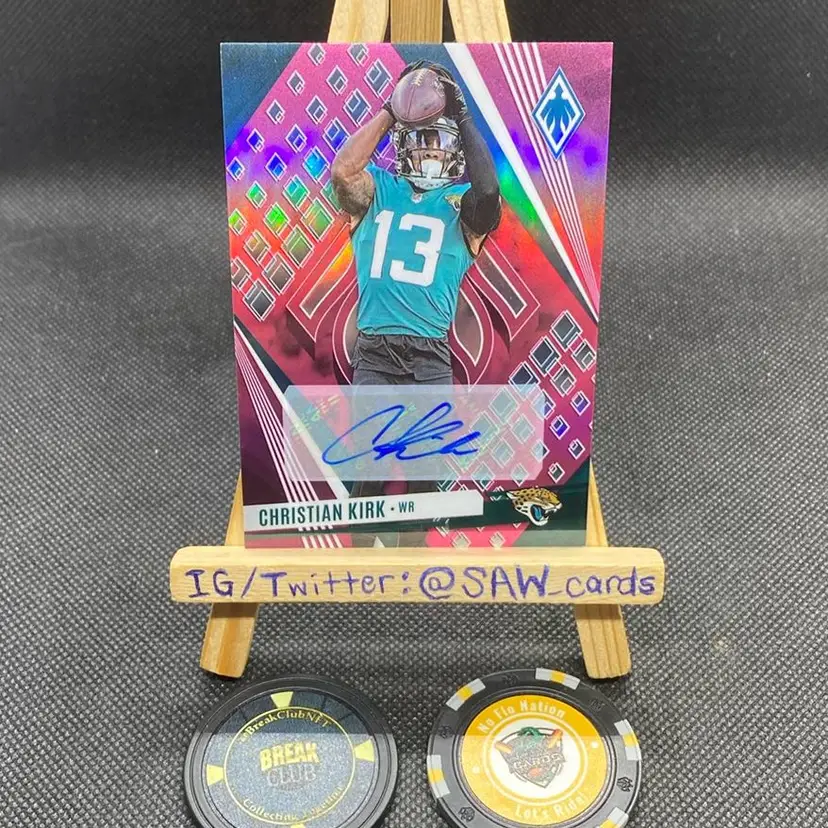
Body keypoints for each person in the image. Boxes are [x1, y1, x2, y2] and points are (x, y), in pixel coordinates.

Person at [331, 60, 502, 547]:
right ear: (403, 145)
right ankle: (359, 567)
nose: (428, 149)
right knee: (368, 469)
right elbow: (344, 170)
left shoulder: (462, 204)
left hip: (429, 357)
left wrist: (462, 115)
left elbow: (488, 191)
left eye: (437, 140)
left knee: (425, 482)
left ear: (454, 148)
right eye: (419, 139)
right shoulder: (379, 190)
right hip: (376, 352)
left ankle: (413, 568)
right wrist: (392, 109)